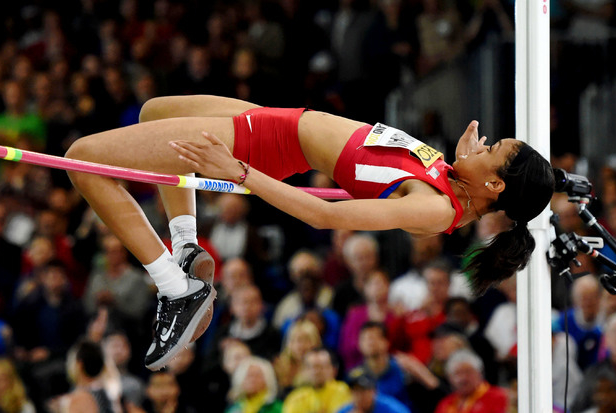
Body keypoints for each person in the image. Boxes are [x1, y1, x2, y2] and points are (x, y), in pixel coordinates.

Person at [64, 94, 555, 370]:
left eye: (495, 149)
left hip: (264, 145)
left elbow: (323, 217)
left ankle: (175, 288)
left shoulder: (432, 209)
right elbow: (394, 161)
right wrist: (461, 159)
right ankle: (187, 248)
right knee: (155, 111)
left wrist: (238, 171)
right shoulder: (453, 182)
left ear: (494, 183)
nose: (486, 142)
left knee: (81, 158)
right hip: (284, 123)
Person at [337, 371, 410, 413]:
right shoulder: (346, 410)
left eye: (363, 391)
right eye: (355, 391)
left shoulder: (390, 408)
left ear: (374, 391)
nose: (359, 396)